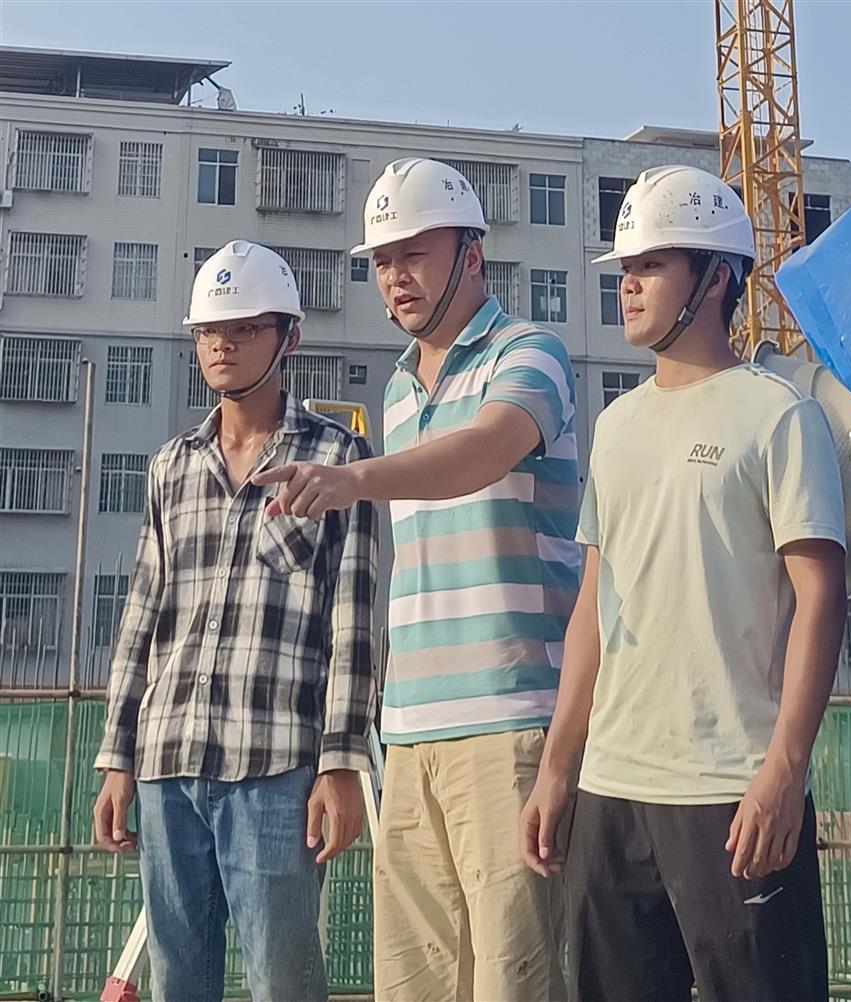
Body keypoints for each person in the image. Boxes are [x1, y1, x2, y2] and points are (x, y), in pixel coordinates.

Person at [254, 158, 580, 1001]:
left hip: (512, 721)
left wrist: (354, 478)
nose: (395, 276)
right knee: (415, 985)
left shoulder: (531, 354)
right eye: (382, 260)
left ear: (472, 254)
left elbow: (484, 449)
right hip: (408, 731)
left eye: (414, 254)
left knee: (513, 980)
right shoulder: (399, 388)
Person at [520, 165, 847, 1002]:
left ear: (717, 278)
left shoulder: (779, 415)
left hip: (734, 789)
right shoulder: (615, 425)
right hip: (613, 790)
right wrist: (559, 768)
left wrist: (784, 770)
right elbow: (594, 608)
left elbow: (822, 597)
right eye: (626, 267)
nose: (627, 283)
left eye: (652, 264)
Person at [93, 241, 378, 1002]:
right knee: (177, 981)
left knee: (284, 981)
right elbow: (142, 618)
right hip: (168, 762)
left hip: (276, 767)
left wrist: (340, 763)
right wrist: (118, 758)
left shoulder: (338, 458)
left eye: (246, 328)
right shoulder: (172, 466)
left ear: (288, 337)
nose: (222, 344)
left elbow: (353, 624)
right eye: (209, 331)